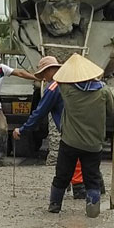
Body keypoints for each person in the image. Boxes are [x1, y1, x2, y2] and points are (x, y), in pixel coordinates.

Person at [12, 55, 94, 199]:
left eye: (44, 74)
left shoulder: (53, 87)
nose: (43, 78)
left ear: (50, 70)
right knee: (86, 157)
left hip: (71, 129)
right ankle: (93, 187)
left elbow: (39, 112)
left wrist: (23, 129)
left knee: (73, 157)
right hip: (87, 124)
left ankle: (77, 187)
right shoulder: (72, 81)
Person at [50, 54, 114, 218]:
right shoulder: (103, 91)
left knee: (62, 175)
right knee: (92, 178)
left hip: (69, 143)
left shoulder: (67, 91)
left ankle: (54, 206)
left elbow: (58, 79)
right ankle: (92, 210)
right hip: (93, 145)